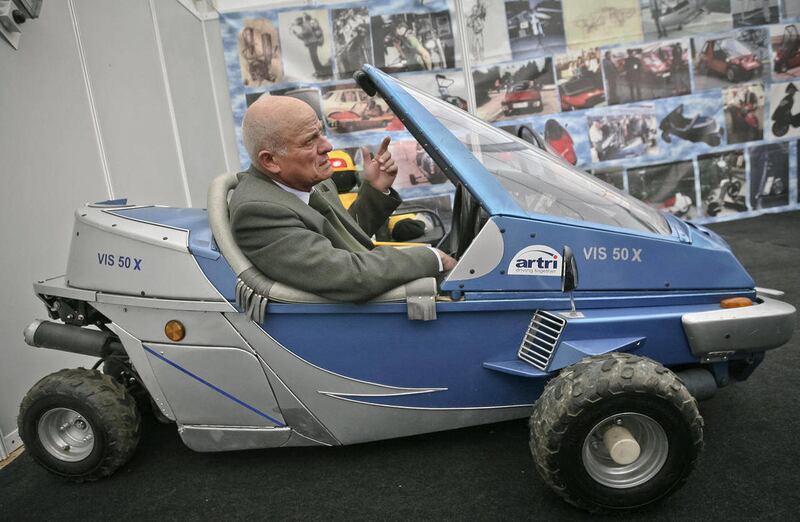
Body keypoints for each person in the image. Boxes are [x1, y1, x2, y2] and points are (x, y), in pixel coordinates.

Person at [229, 95, 456, 302]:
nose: (327, 146)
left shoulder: (308, 181)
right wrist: (432, 258)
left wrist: (375, 190)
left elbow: (341, 235)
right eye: (310, 141)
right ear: (270, 161)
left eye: (320, 132)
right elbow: (347, 276)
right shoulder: (258, 213)